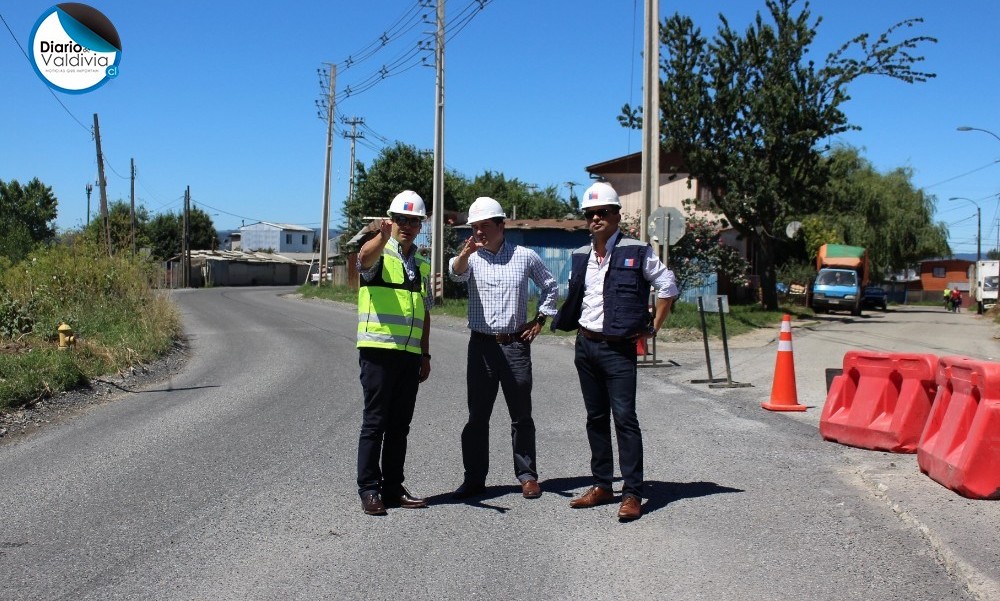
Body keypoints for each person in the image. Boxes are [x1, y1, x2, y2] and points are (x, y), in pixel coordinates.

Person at [551, 181, 679, 521]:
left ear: (616, 215)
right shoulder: (580, 255)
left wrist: (653, 327)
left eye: (602, 213)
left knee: (624, 419)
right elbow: (576, 296)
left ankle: (633, 493)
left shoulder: (637, 251)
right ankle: (602, 485)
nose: (595, 219)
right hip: (586, 345)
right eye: (590, 214)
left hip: (618, 350)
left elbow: (668, 286)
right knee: (595, 419)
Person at [448, 196, 559, 500]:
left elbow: (550, 285)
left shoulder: (525, 257)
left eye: (485, 226)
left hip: (514, 346)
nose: (479, 232)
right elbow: (455, 273)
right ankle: (474, 479)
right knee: (477, 417)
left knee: (521, 415)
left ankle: (527, 476)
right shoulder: (469, 258)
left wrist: (539, 319)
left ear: (501, 225)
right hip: (482, 347)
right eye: (475, 227)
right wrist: (464, 254)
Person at [354, 190, 433, 516]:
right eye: (402, 219)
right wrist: (380, 237)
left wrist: (425, 355)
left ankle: (392, 488)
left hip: (409, 354)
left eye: (414, 221)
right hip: (378, 350)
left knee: (400, 425)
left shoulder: (422, 262)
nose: (408, 226)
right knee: (376, 422)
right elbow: (363, 261)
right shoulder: (379, 251)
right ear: (392, 220)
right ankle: (369, 489)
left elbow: (425, 311)